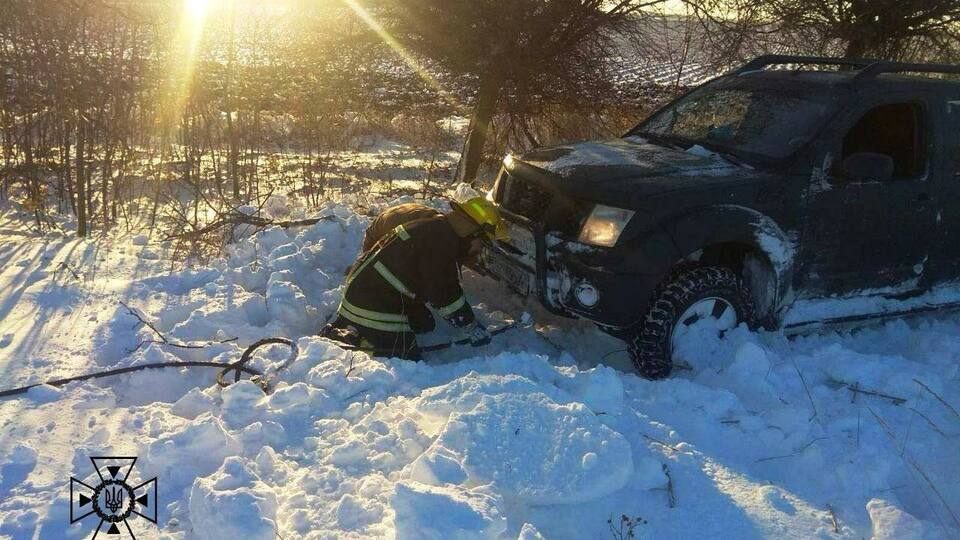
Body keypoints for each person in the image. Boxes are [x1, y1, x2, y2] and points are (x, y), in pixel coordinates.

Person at [325, 197, 509, 360]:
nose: (479, 249)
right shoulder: (441, 243)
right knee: (407, 357)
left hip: (366, 292)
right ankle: (359, 342)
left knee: (424, 323)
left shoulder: (436, 228)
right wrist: (470, 325)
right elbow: (444, 293)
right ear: (473, 233)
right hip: (373, 304)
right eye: (482, 243)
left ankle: (359, 328)